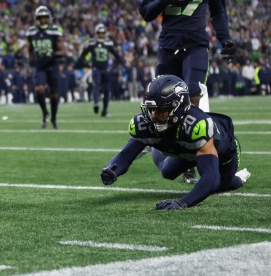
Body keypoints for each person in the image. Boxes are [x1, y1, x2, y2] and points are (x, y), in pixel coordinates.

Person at [138, 0, 237, 183]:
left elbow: (218, 11)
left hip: (195, 42)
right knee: (161, 100)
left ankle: (191, 156)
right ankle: (157, 143)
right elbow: (146, 12)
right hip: (168, 43)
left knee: (193, 91)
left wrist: (225, 39)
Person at [100, 75, 251, 210]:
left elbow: (210, 178)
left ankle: (240, 177)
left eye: (161, 110)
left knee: (219, 186)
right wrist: (112, 169)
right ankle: (154, 145)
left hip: (222, 150)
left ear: (178, 107)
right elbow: (126, 155)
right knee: (167, 172)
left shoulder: (197, 125)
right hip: (185, 147)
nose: (154, 115)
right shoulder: (145, 122)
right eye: (151, 109)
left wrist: (183, 202)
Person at [26, 6, 69, 129]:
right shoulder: (31, 32)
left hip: (52, 65)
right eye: (41, 18)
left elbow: (63, 51)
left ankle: (54, 118)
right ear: (37, 19)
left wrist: (52, 54)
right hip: (39, 65)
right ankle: (45, 112)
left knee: (54, 94)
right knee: (39, 89)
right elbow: (30, 48)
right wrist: (30, 58)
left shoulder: (54, 31)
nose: (43, 20)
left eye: (45, 17)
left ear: (49, 18)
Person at [76, 24, 125, 117]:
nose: (101, 35)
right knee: (97, 85)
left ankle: (104, 111)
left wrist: (122, 62)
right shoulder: (92, 43)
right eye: (99, 33)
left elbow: (116, 54)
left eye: (102, 33)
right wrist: (84, 62)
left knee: (107, 90)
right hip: (96, 68)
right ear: (96, 34)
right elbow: (83, 54)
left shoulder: (108, 43)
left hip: (106, 69)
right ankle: (96, 103)